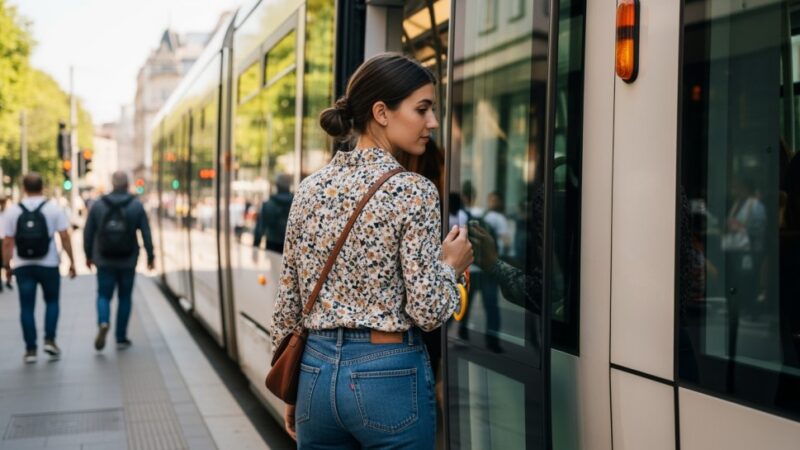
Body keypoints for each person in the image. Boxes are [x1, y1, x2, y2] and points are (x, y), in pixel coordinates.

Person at [270, 53, 473, 449]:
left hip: (314, 372)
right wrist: (450, 265)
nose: (432, 122)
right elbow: (429, 312)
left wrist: (292, 391)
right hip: (389, 374)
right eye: (423, 109)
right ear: (382, 112)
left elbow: (287, 302)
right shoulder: (413, 190)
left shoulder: (310, 188)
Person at [2, 173, 77, 363]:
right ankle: (50, 340)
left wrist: (7, 266)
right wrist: (72, 261)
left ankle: (30, 350)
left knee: (26, 307)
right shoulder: (53, 209)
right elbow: (65, 236)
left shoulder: (12, 212)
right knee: (52, 301)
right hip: (49, 263)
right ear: (42, 186)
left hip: (23, 265)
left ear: (24, 188)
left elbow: (8, 242)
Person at [83, 171, 155, 351]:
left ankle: (104, 321)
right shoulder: (136, 205)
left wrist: (88, 255)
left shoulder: (98, 205)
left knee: (103, 295)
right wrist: (151, 257)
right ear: (127, 184)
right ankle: (121, 337)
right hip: (128, 259)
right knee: (125, 297)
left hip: (104, 258)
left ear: (112, 184)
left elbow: (88, 232)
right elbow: (146, 233)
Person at [253, 173, 294, 253]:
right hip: (290, 246)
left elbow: (260, 228)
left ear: (277, 185)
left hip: (272, 244)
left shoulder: (268, 204)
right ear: (289, 186)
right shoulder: (296, 203)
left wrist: (255, 247)